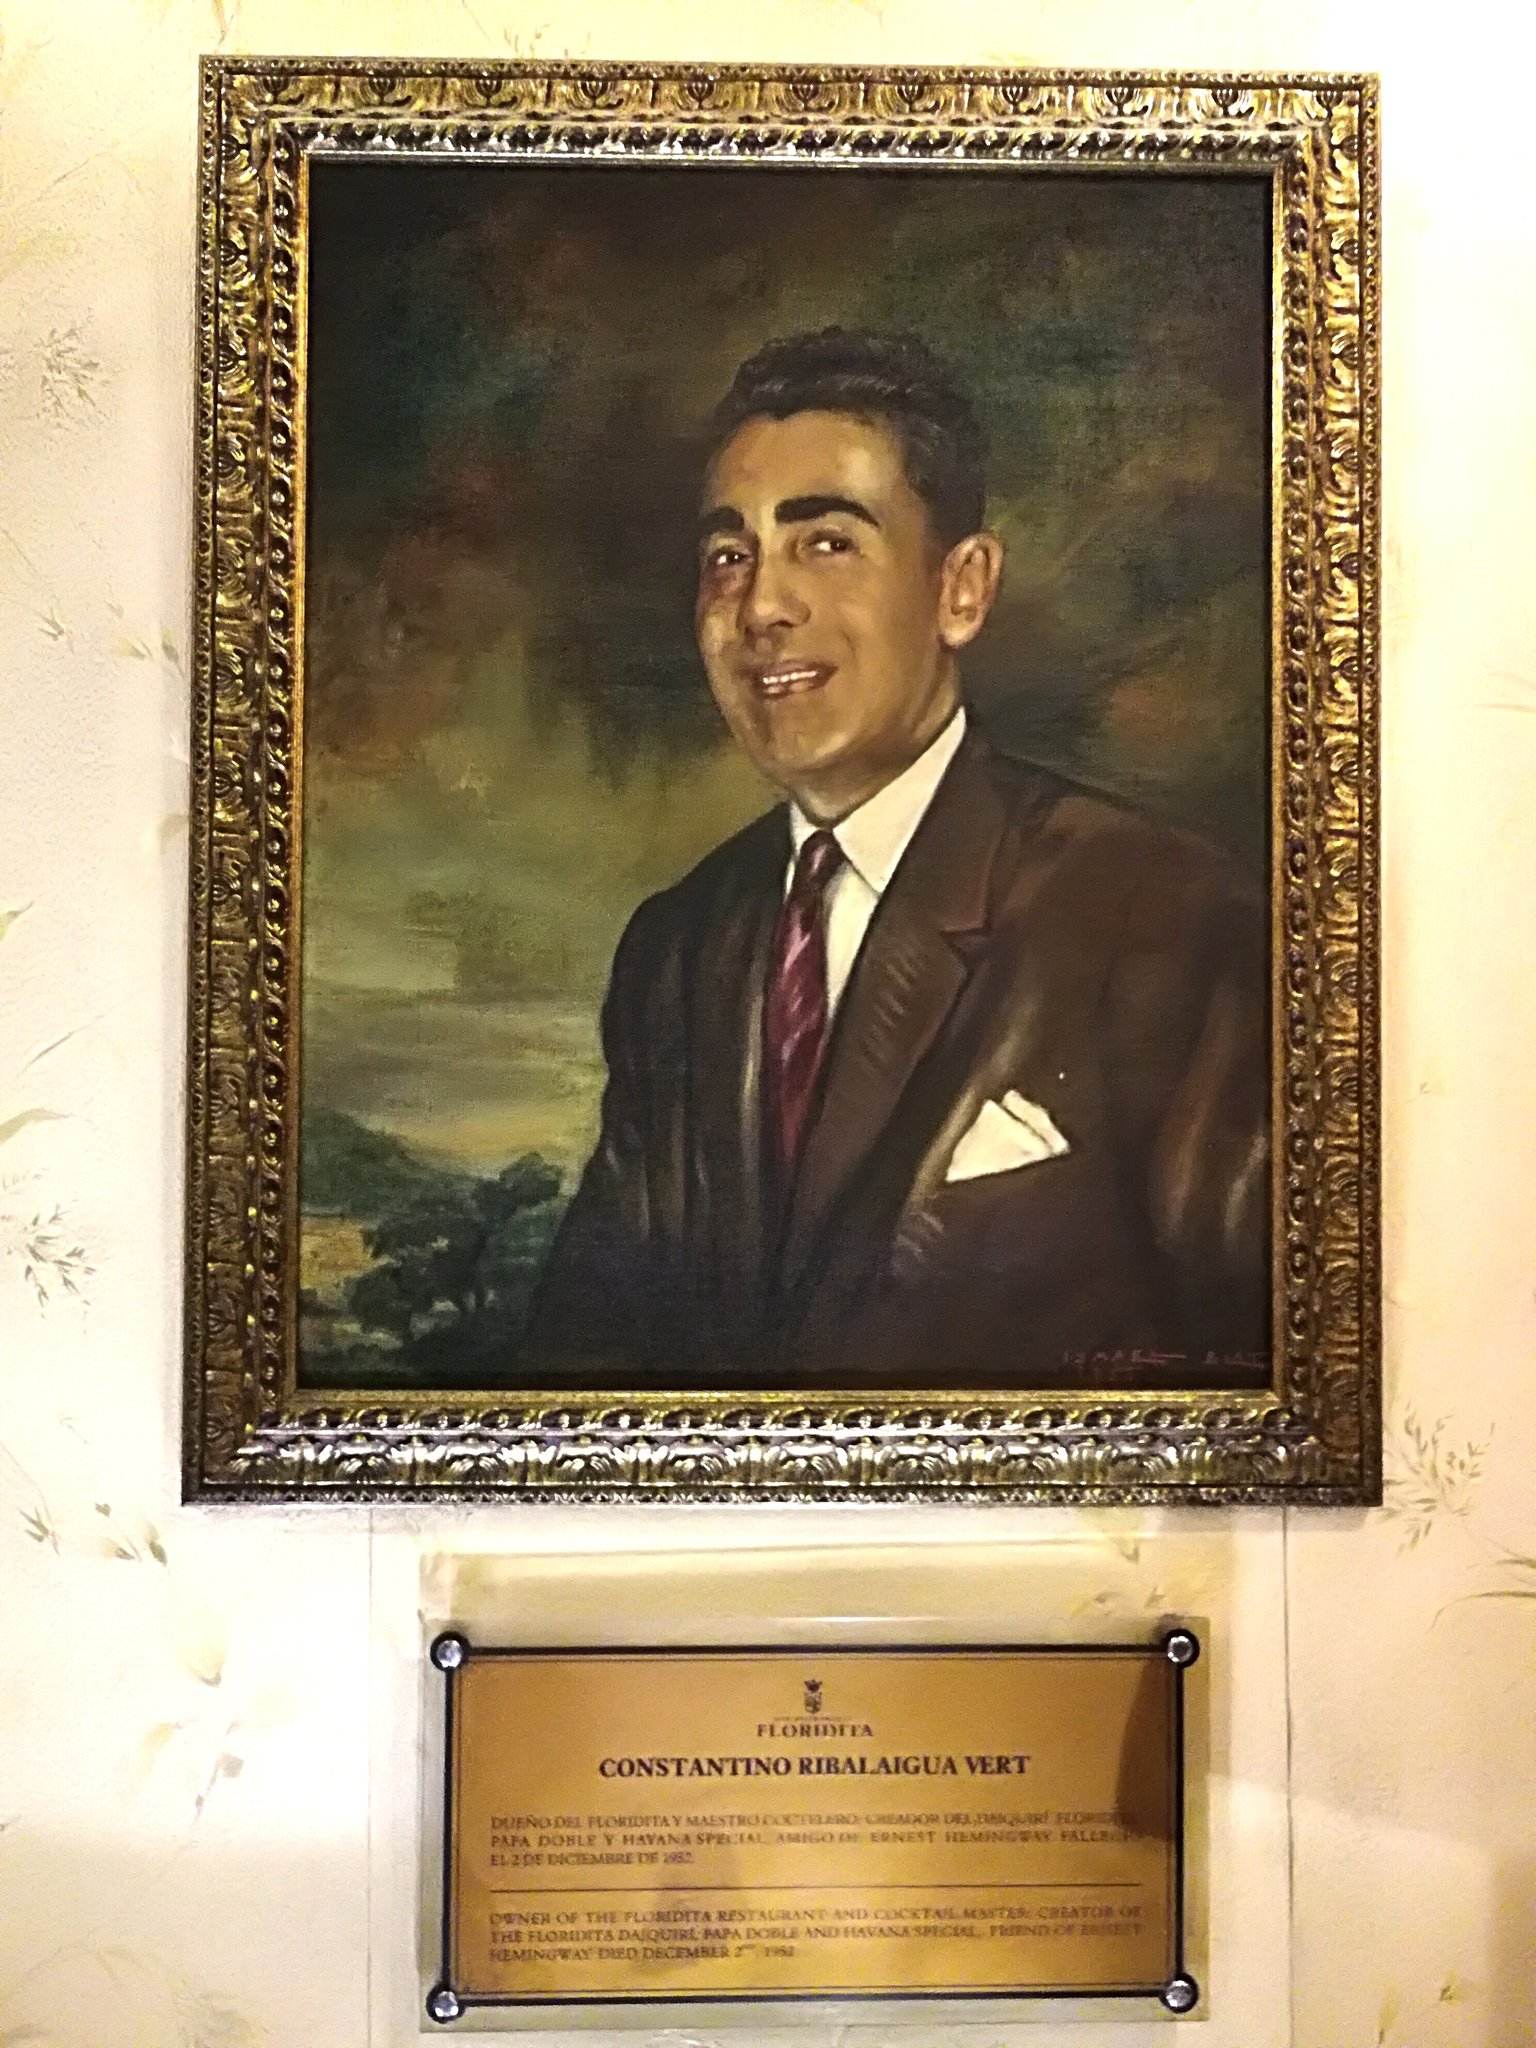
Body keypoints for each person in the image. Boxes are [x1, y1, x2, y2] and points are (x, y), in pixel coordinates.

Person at [526, 328, 1269, 1392]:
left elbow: (1258, 1373)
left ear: (962, 588)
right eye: (728, 556)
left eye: (826, 542)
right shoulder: (679, 946)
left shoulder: (1166, 915)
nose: (761, 606)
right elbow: (585, 1355)